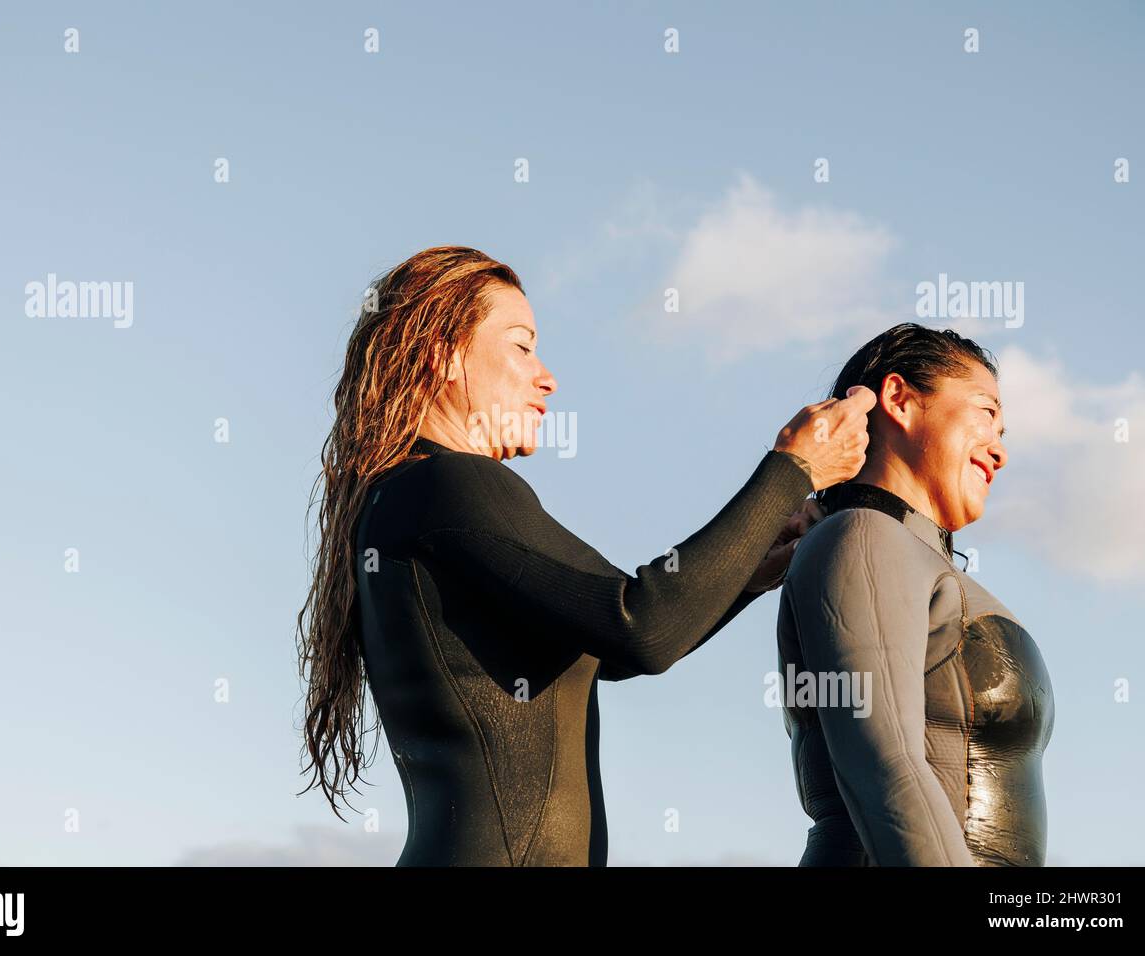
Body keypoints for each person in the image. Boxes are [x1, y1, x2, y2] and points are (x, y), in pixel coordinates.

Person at [297, 245, 874, 865]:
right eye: (522, 345)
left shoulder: (406, 496)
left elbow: (609, 645)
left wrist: (752, 572)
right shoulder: (450, 485)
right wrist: (792, 467)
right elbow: (640, 624)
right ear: (443, 352)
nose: (548, 377)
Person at [777, 323, 1054, 866]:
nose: (999, 451)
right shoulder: (862, 536)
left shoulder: (907, 558)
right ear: (899, 400)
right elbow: (885, 764)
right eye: (986, 414)